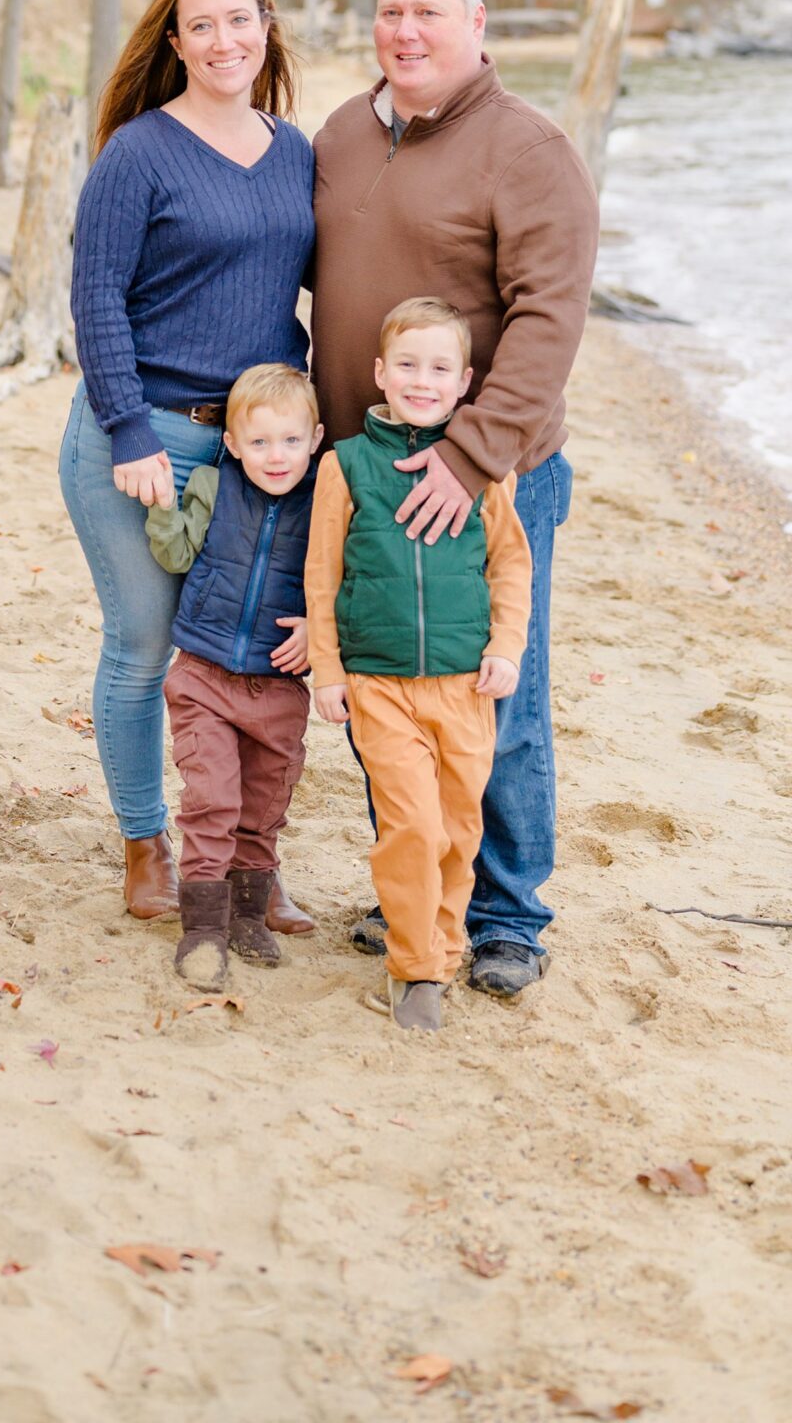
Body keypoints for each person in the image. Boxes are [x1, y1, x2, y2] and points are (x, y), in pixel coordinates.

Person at [311, 0, 598, 998]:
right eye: (391, 10)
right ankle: (415, 890)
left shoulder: (528, 151)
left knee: (493, 693)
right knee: (385, 686)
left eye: (429, 11)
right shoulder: (343, 131)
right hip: (363, 472)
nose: (406, 29)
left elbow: (549, 319)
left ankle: (505, 914)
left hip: (481, 478)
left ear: (475, 25)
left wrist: (470, 457)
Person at [61, 0, 319, 935]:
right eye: (199, 25)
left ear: (266, 26)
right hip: (145, 440)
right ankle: (145, 843)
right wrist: (128, 428)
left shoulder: (294, 150)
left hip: (260, 455)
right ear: (172, 42)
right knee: (143, 645)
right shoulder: (138, 152)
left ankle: (251, 861)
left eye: (238, 21)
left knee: (256, 659)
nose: (223, 41)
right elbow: (95, 300)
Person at [306, 300, 533, 1032]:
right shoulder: (344, 465)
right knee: (408, 824)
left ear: (464, 381)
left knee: (457, 830)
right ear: (379, 372)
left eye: (438, 368)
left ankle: (441, 942)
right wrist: (327, 669)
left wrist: (504, 648)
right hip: (378, 682)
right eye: (406, 364)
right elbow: (320, 575)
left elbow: (510, 566)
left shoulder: (482, 473)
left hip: (465, 683)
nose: (421, 380)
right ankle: (414, 971)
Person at [145, 362, 323, 990]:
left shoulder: (326, 504)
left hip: (279, 685)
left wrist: (318, 631)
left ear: (317, 437)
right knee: (212, 800)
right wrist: (165, 506)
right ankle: (202, 928)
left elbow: (341, 581)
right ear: (232, 444)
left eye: (291, 440)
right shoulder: (214, 486)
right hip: (205, 674)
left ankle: (249, 914)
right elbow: (175, 552)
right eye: (259, 442)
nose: (276, 457)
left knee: (263, 806)